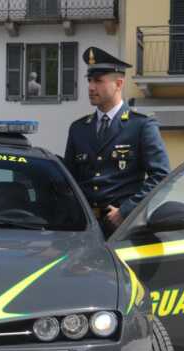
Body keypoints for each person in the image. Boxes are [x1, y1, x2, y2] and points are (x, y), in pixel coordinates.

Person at [63, 46, 170, 236]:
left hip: (122, 229)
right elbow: (69, 180)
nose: (91, 87)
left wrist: (126, 211)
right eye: (89, 80)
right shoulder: (78, 128)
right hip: (83, 228)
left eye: (98, 81)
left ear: (119, 84)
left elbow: (161, 176)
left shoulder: (141, 125)